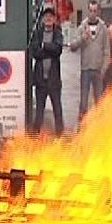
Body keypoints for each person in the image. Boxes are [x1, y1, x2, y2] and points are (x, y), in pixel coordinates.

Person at [70, 0, 111, 122]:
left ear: (98, 11)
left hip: (98, 70)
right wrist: (82, 38)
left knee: (99, 101)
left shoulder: (103, 29)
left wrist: (103, 68)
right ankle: (82, 126)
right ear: (88, 11)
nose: (93, 13)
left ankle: (99, 126)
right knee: (83, 101)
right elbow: (72, 46)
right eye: (91, 10)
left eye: (95, 10)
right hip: (86, 70)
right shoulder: (82, 27)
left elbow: (107, 50)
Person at [30, 7, 64, 136]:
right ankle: (34, 139)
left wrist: (44, 46)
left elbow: (58, 50)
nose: (48, 18)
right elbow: (35, 52)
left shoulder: (58, 33)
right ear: (43, 19)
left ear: (54, 19)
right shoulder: (37, 33)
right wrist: (49, 51)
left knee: (58, 112)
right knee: (39, 113)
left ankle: (60, 138)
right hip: (40, 82)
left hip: (54, 81)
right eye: (46, 16)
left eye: (51, 16)